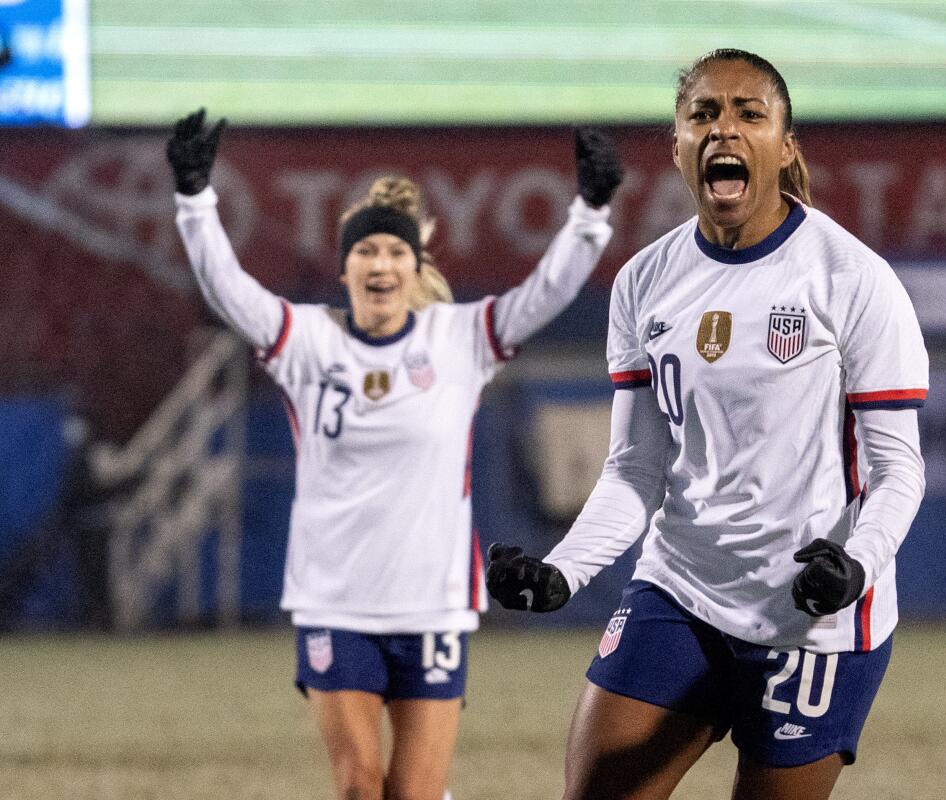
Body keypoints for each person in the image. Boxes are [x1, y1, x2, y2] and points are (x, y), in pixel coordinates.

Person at [486, 49, 927, 800]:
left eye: (749, 114)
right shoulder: (644, 282)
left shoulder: (852, 278)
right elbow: (635, 470)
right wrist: (564, 571)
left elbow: (898, 472)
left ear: (785, 147)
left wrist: (855, 567)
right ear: (678, 146)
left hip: (811, 616)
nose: (725, 129)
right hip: (680, 590)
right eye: (704, 114)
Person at [167, 109, 622, 800]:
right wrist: (195, 199)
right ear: (346, 267)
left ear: (415, 268)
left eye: (394, 254)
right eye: (366, 253)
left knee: (413, 792)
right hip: (334, 601)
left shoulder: (459, 338)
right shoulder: (306, 341)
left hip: (432, 604)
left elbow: (547, 292)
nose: (380, 264)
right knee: (357, 787)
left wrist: (590, 212)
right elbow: (229, 289)